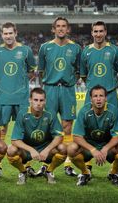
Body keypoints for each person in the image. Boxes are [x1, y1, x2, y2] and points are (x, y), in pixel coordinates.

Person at [0, 22, 37, 175]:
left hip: (22, 97)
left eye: (11, 33)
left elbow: (31, 71)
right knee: (0, 132)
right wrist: (4, 83)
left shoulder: (26, 50)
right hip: (2, 98)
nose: (8, 36)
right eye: (5, 33)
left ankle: (27, 164)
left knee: (24, 131)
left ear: (16, 33)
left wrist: (20, 82)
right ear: (2, 35)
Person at [38, 17, 81, 176]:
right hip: (50, 89)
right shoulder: (45, 47)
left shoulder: (76, 48)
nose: (61, 29)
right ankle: (45, 162)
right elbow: (41, 71)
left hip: (68, 90)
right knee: (47, 126)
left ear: (68, 29)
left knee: (67, 126)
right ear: (53, 29)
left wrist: (69, 82)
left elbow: (78, 71)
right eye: (58, 26)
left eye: (64, 26)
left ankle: (68, 164)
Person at [68, 85, 118, 186]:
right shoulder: (84, 111)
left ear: (106, 98)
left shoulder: (113, 110)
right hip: (89, 147)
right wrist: (93, 150)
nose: (98, 99)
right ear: (90, 98)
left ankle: (113, 172)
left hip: (108, 146)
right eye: (95, 96)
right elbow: (76, 136)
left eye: (101, 96)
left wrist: (105, 148)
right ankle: (85, 173)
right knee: (71, 148)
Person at [7, 88, 67, 185]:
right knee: (11, 150)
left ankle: (49, 171)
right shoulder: (23, 114)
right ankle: (23, 172)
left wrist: (47, 150)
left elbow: (59, 137)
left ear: (45, 101)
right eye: (35, 100)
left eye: (41, 100)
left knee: (63, 148)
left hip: (46, 149)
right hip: (27, 150)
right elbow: (15, 140)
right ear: (30, 100)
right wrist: (31, 150)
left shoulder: (50, 113)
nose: (38, 103)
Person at [80, 21, 118, 121]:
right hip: (91, 95)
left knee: (114, 125)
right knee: (88, 123)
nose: (98, 34)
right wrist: (91, 85)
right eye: (95, 31)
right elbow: (83, 75)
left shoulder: (114, 50)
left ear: (105, 32)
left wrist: (114, 86)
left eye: (101, 31)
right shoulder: (86, 51)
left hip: (110, 94)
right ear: (92, 33)